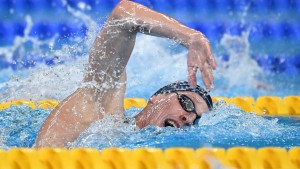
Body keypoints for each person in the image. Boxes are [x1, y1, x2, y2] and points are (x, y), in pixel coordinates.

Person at [34, 0, 216, 148]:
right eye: (187, 103)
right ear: (157, 98)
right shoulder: (101, 107)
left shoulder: (134, 148)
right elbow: (123, 15)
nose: (188, 118)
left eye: (197, 120)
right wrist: (191, 37)